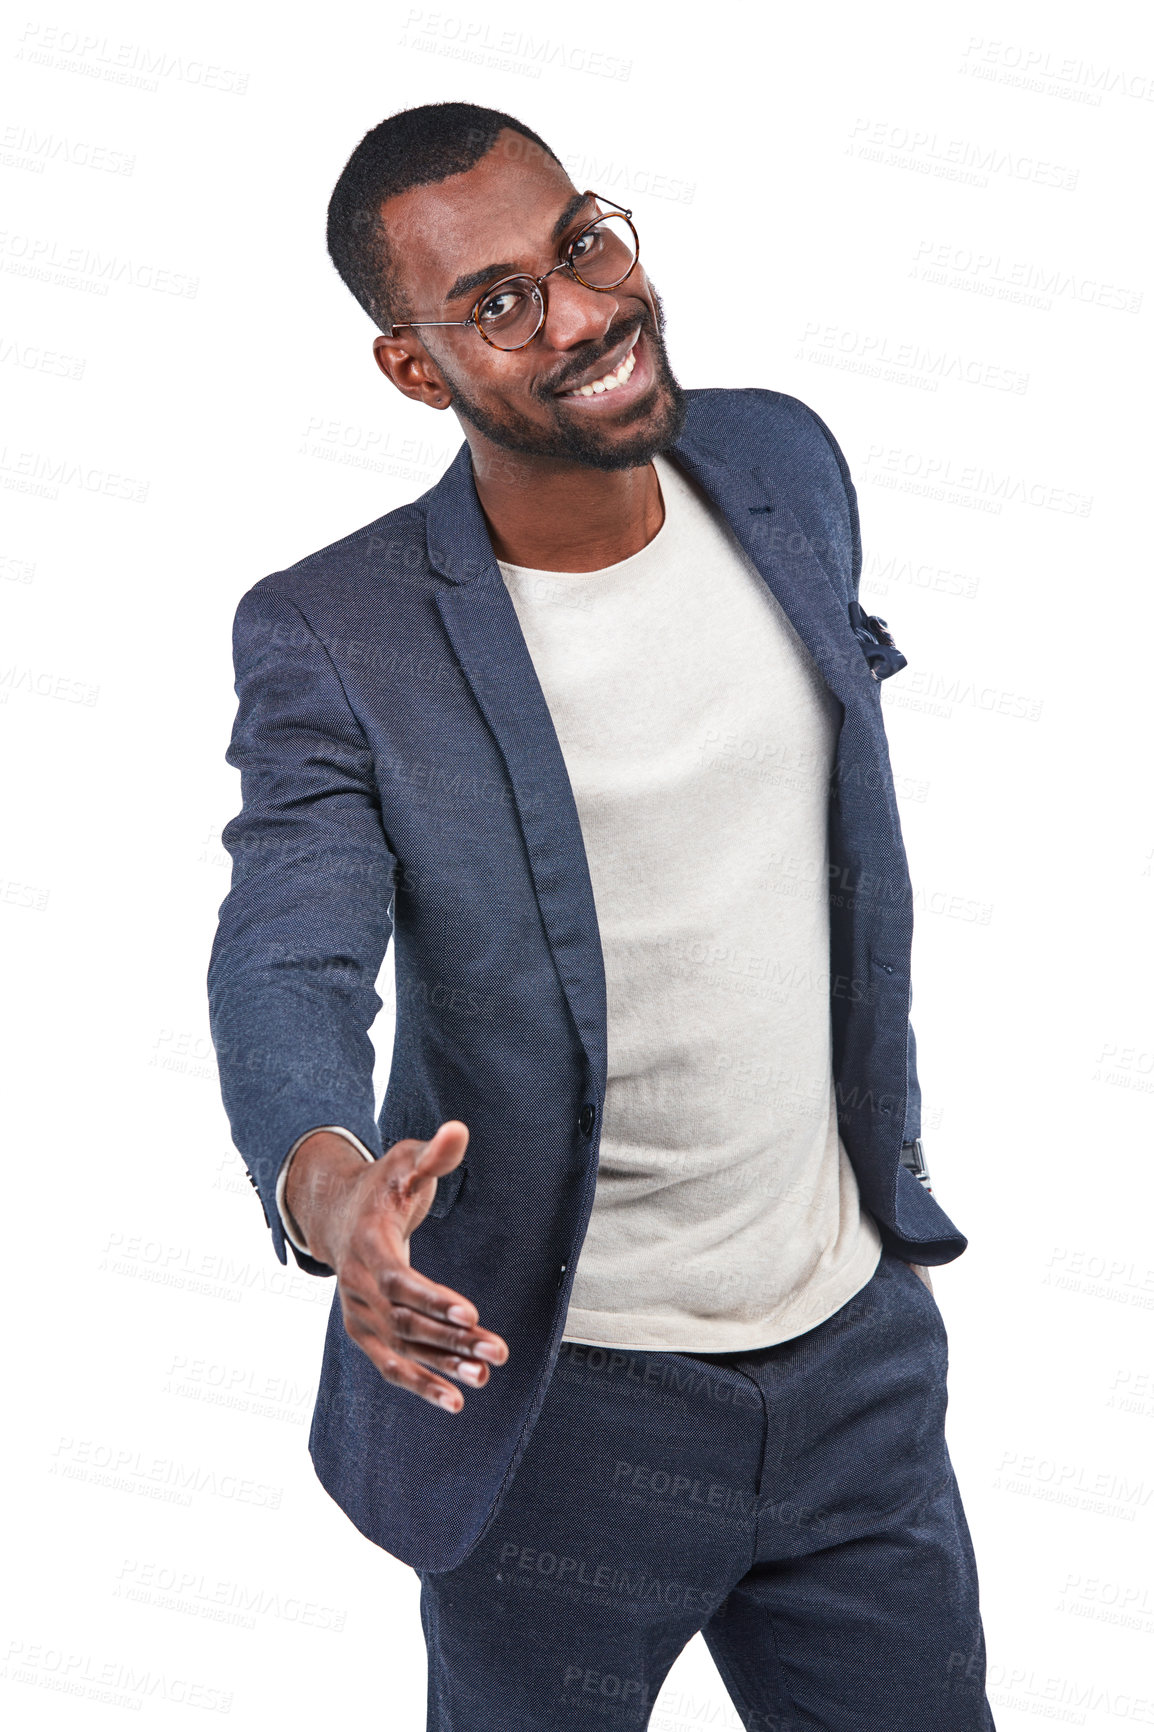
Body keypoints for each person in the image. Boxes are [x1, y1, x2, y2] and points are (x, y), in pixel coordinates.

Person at [208, 101, 995, 1730]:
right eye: (495, 301)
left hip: (857, 1363)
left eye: (580, 245)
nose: (577, 311)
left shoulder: (779, 461)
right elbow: (288, 947)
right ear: (414, 371)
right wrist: (328, 1185)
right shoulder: (340, 636)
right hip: (561, 1414)